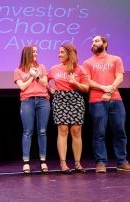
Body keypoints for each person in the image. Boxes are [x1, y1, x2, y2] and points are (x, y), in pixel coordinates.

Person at [83, 35, 130, 173]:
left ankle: (122, 161)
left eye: (96, 41)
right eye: (92, 42)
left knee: (120, 131)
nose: (93, 43)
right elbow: (88, 82)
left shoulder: (116, 59)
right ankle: (101, 162)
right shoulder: (87, 62)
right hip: (97, 101)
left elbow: (120, 77)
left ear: (105, 43)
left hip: (116, 99)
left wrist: (110, 90)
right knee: (99, 133)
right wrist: (104, 88)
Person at [48, 43, 89, 174]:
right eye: (59, 52)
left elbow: (86, 88)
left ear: (70, 54)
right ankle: (63, 164)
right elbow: (44, 81)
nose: (59, 55)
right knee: (63, 129)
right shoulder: (54, 69)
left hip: (76, 98)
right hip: (60, 98)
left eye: (62, 52)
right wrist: (50, 89)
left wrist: (75, 82)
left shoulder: (80, 69)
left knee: (76, 130)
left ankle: (77, 163)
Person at [13, 46, 51, 174]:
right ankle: (26, 162)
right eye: (33, 52)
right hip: (27, 101)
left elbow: (45, 84)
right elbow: (22, 87)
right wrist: (31, 76)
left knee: (42, 131)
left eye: (36, 51)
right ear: (27, 54)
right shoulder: (18, 70)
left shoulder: (42, 67)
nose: (36, 53)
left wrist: (37, 76)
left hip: (43, 101)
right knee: (27, 131)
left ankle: (43, 161)